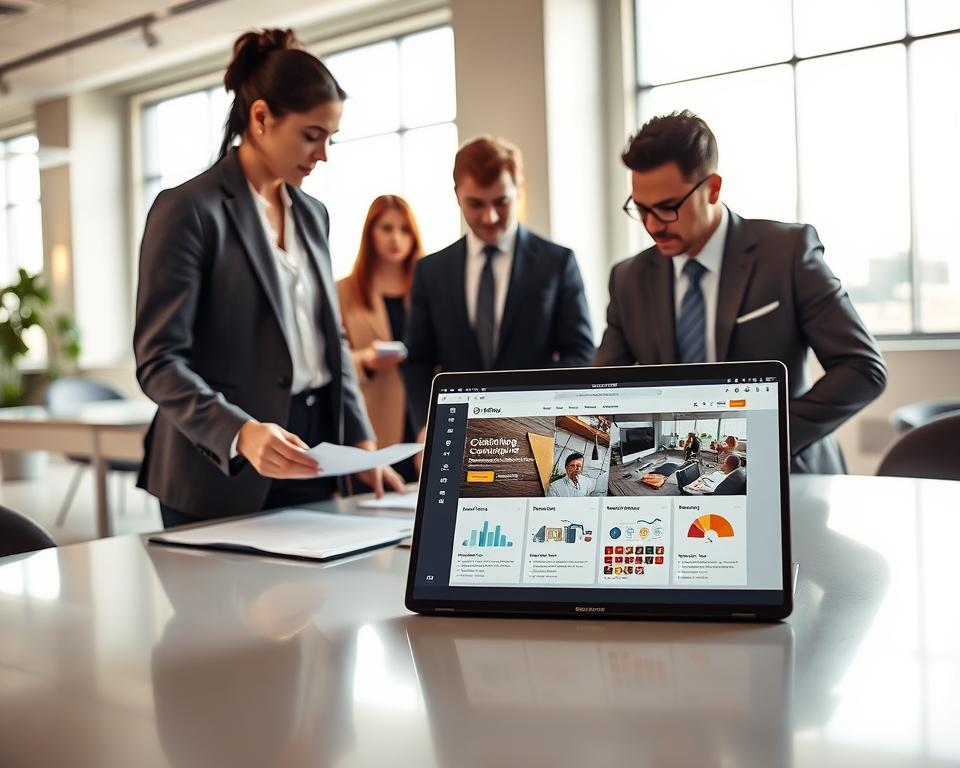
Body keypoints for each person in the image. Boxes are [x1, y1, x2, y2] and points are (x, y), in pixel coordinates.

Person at [134, 28, 404, 528]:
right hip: (221, 467)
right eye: (311, 135)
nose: (323, 154)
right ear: (260, 118)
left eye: (331, 138)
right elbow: (159, 361)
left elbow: (332, 340)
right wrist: (239, 433)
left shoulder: (314, 214)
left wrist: (362, 441)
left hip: (314, 453)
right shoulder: (188, 210)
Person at [594, 111, 886, 473]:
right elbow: (600, 387)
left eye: (668, 208)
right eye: (641, 209)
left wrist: (767, 437)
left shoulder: (788, 252)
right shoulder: (628, 279)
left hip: (790, 470)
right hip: (681, 471)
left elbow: (863, 368)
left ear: (713, 189)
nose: (653, 226)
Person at [404, 135, 595, 436]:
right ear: (457, 195)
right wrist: (425, 425)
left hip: (537, 428)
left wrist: (550, 414)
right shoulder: (431, 271)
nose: (489, 216)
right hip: (457, 431)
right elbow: (418, 360)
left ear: (519, 190)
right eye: (475, 203)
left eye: (501, 202)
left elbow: (580, 353)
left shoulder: (557, 263)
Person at [337, 196, 424, 482]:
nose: (396, 238)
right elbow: (331, 360)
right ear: (370, 233)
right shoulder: (343, 292)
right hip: (374, 421)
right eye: (386, 228)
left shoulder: (429, 288)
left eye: (404, 229)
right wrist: (365, 360)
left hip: (423, 416)